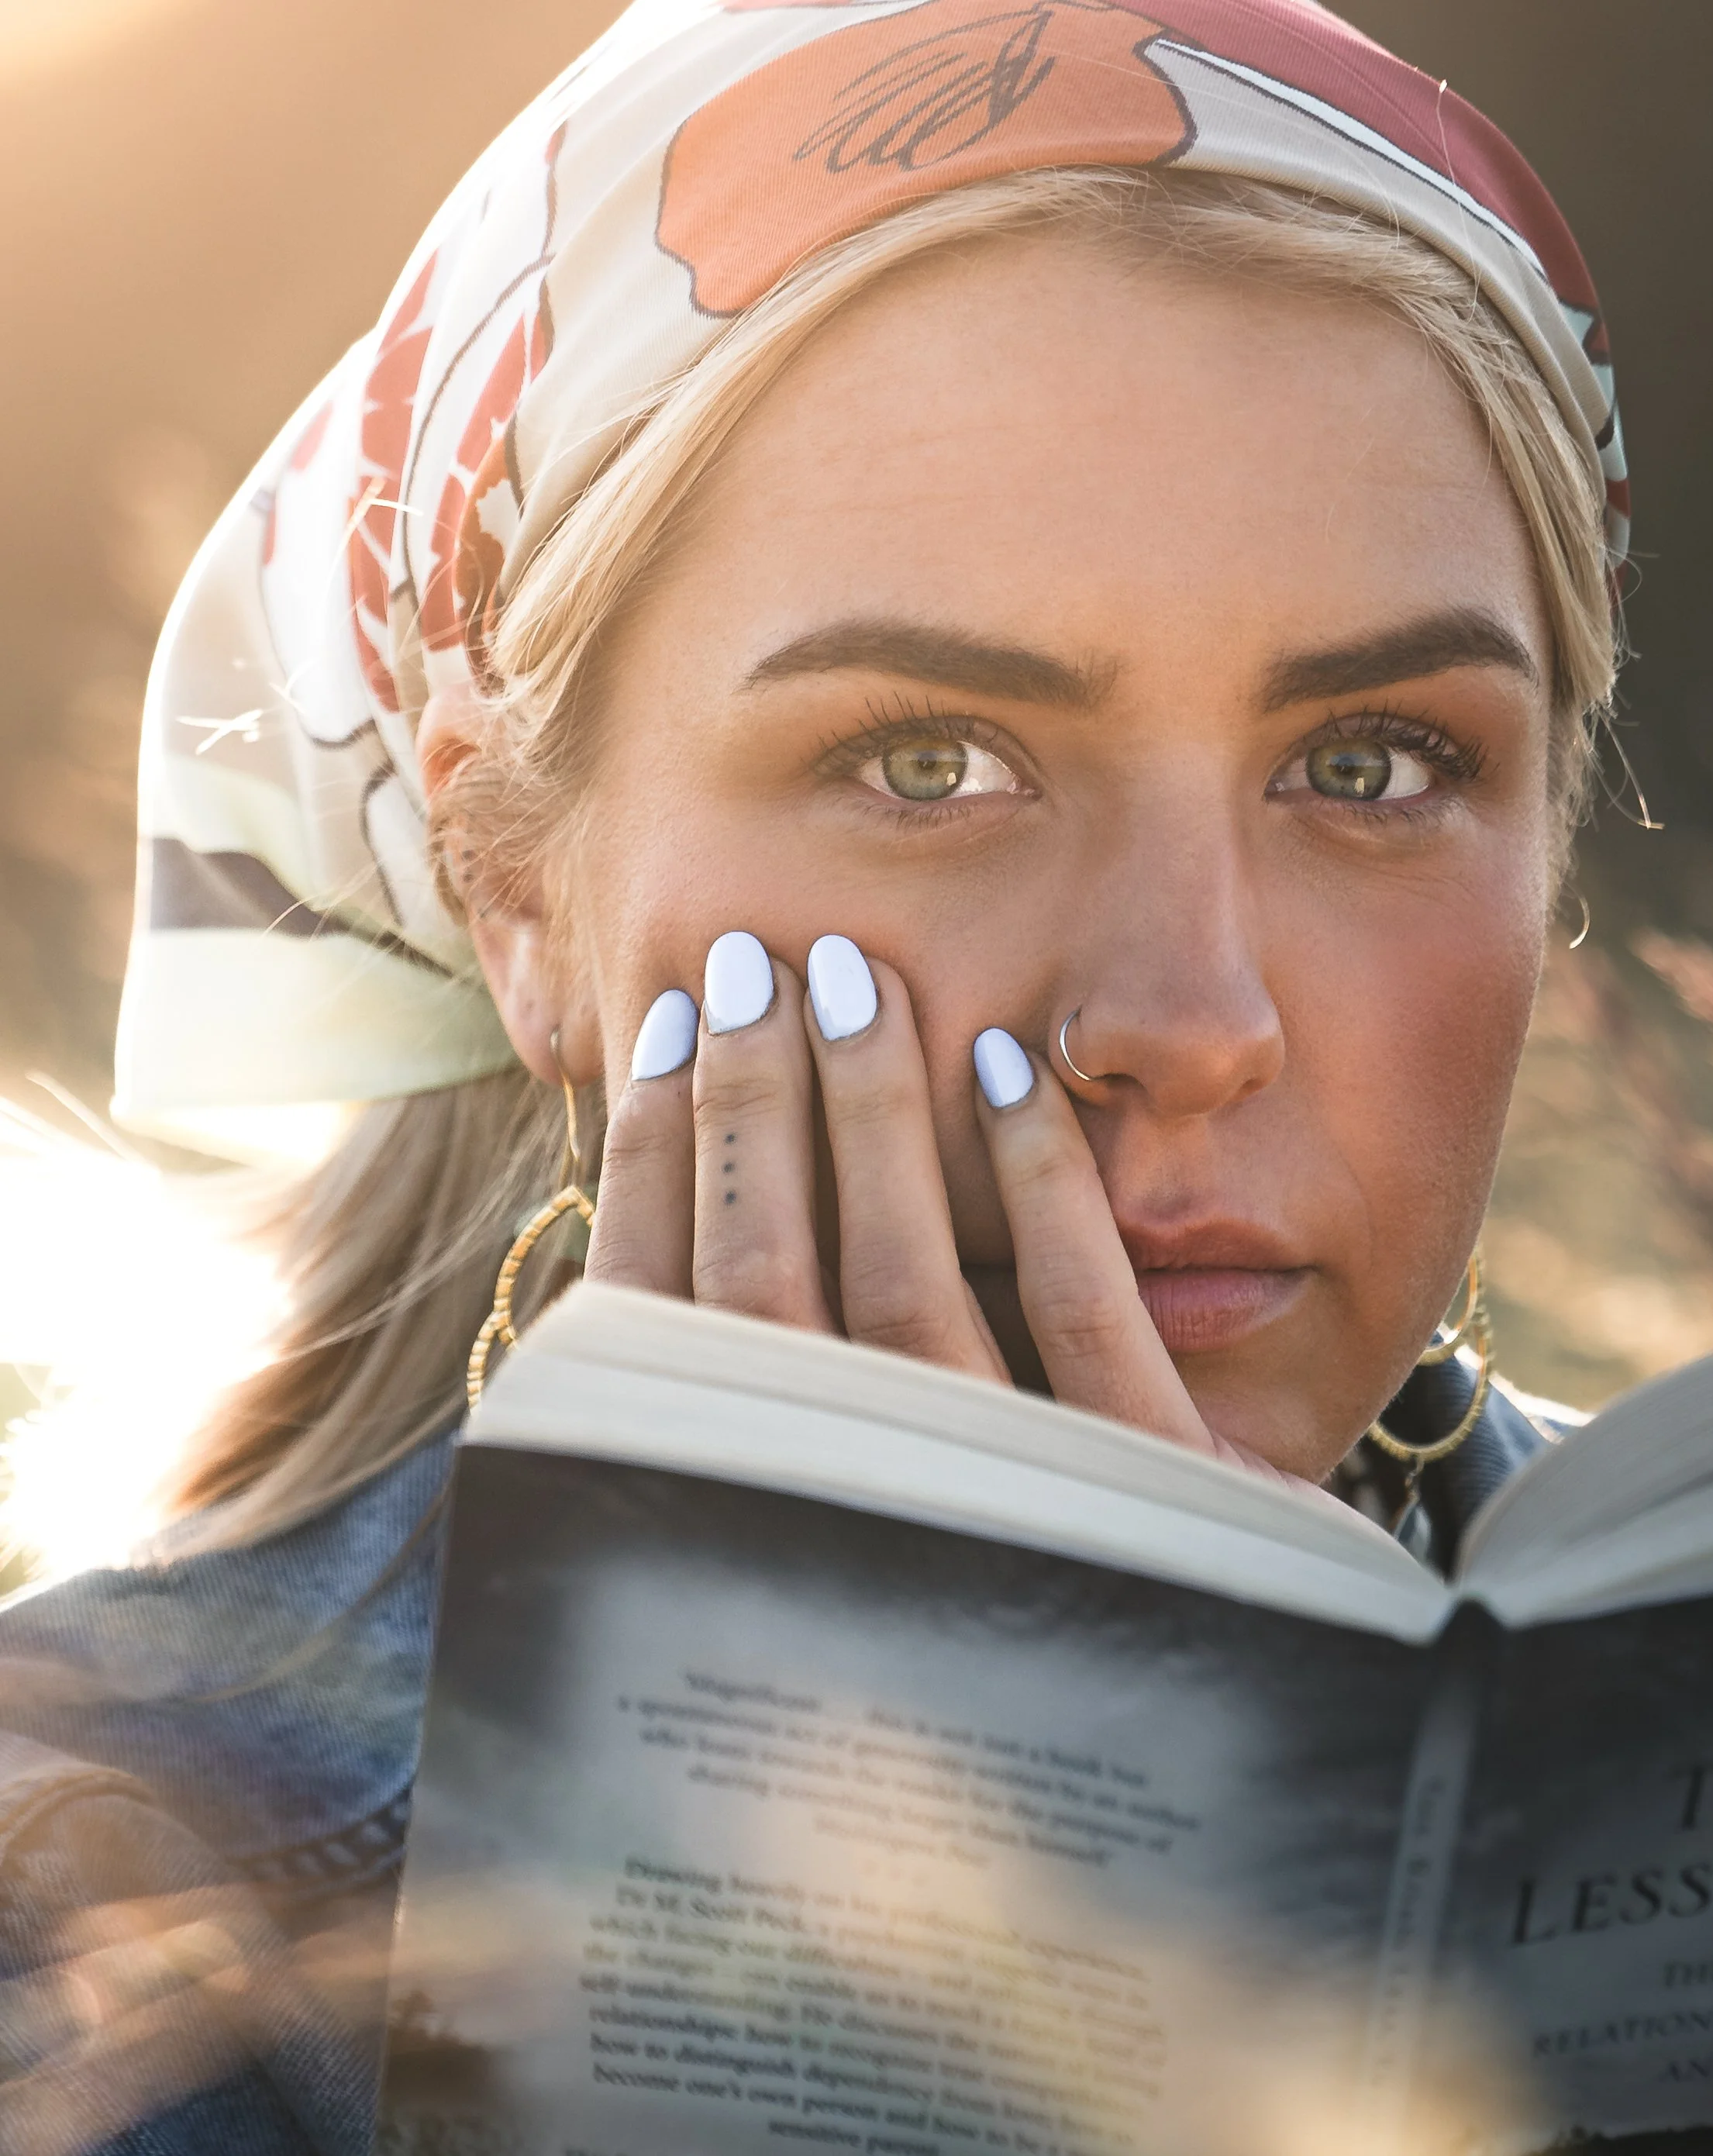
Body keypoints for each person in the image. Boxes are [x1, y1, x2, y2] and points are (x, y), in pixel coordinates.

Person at [0, 0, 1629, 2147]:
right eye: (929, 762)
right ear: (511, 878)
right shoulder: (93, 1896)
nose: (1197, 1012)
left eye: (1373, 762)